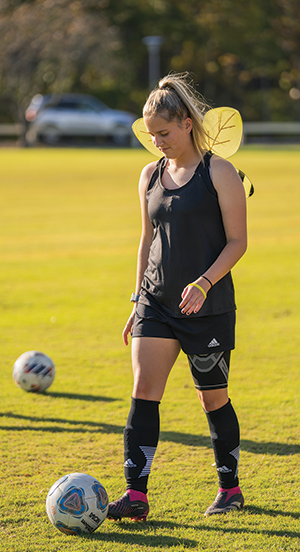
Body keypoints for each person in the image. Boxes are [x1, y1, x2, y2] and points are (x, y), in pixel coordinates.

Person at [107, 72, 247, 520]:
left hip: (208, 307)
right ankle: (137, 497)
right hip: (156, 302)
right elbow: (146, 239)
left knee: (213, 399)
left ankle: (230, 488)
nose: (157, 142)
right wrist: (136, 300)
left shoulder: (219, 172)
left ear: (187, 123)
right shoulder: (149, 174)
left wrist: (204, 283)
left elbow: (237, 242)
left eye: (164, 133)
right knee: (144, 390)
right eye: (151, 135)